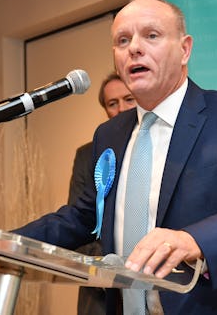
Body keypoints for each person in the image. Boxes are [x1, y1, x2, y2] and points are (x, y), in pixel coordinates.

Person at [13, 0, 217, 314]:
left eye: (151, 35)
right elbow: (85, 216)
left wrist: (195, 240)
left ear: (185, 49)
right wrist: (0, 244)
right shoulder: (108, 134)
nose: (134, 48)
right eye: (122, 40)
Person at [69, 72, 136, 315]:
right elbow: (79, 223)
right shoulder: (88, 155)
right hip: (101, 293)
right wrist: (114, 269)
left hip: (157, 287)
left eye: (129, 99)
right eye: (112, 103)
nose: (121, 108)